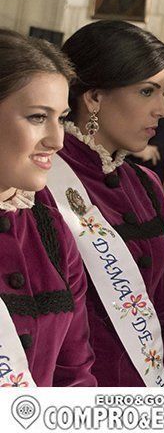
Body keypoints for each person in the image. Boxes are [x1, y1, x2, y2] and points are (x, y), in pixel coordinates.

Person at [38, 20, 164, 387]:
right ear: (94, 97)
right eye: (147, 92)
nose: (162, 109)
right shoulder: (40, 182)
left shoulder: (146, 184)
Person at [0, 29, 96, 387]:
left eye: (62, 117)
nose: (57, 140)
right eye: (39, 117)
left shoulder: (52, 231)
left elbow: (75, 373)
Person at [127, 115, 164, 184]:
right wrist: (134, 150)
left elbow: (154, 158)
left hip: (150, 186)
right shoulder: (126, 121)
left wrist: (127, 149)